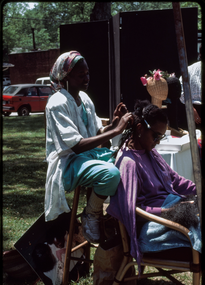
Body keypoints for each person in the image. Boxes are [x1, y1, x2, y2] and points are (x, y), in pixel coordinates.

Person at [45, 50, 132, 243]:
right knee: (110, 174)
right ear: (66, 76)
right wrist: (116, 131)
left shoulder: (84, 99)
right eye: (80, 75)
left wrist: (113, 123)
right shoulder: (57, 103)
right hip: (67, 164)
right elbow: (75, 146)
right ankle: (92, 214)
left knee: (127, 163)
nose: (86, 78)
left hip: (88, 156)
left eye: (87, 73)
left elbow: (96, 136)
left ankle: (115, 215)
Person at [107, 99, 201, 268]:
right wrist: (168, 211)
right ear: (139, 129)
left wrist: (199, 190)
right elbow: (132, 210)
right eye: (155, 136)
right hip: (151, 227)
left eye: (160, 137)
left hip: (173, 212)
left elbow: (175, 180)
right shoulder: (129, 162)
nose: (157, 141)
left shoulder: (151, 152)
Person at [179, 45, 202, 129]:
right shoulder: (190, 70)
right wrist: (191, 109)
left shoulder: (189, 69)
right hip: (192, 109)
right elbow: (181, 91)